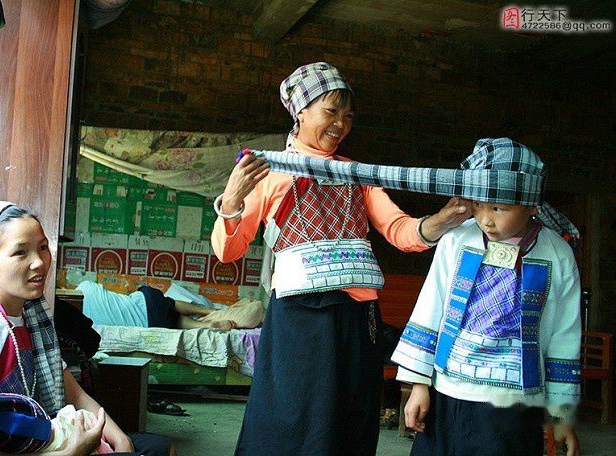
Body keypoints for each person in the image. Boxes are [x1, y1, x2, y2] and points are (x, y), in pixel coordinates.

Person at [211, 62, 471, 455]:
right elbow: (228, 251)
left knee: (349, 417)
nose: (341, 125)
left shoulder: (355, 173)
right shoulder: (270, 170)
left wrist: (442, 221)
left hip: (357, 318)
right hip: (300, 320)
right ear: (301, 111)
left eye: (348, 116)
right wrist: (231, 202)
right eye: (331, 111)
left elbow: (399, 230)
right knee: (292, 419)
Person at [0, 201, 175, 456]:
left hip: (40, 436)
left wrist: (120, 439)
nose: (39, 262)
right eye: (20, 252)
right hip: (13, 449)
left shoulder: (31, 316)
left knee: (162, 448)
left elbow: (74, 394)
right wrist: (69, 453)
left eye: (42, 247)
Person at [391, 138, 581, 456]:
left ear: (531, 205)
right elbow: (430, 307)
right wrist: (418, 384)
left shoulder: (557, 254)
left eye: (498, 208)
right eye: (479, 205)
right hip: (449, 394)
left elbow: (565, 335)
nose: (486, 219)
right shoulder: (456, 240)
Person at [75, 280, 264, 331]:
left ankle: (205, 325)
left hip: (152, 324)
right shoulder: (85, 287)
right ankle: (207, 310)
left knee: (175, 322)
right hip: (147, 301)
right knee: (169, 304)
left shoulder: (82, 325)